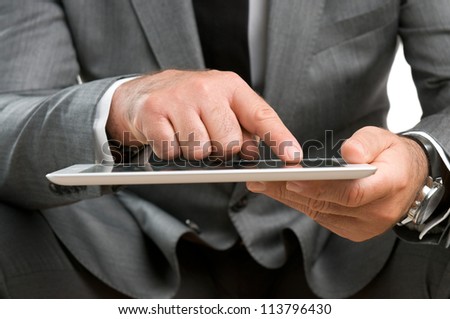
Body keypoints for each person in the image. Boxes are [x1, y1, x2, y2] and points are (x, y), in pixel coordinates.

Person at [0, 0, 449, 298]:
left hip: (358, 240)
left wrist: (422, 164)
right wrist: (119, 106)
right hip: (122, 242)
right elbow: (12, 114)